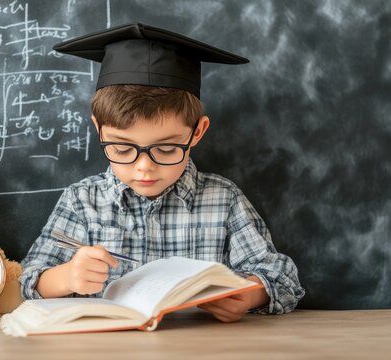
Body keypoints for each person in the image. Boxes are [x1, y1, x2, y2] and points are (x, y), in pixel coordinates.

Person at [20, 23, 305, 322]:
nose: (144, 167)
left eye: (166, 150)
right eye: (122, 149)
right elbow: (25, 280)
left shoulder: (224, 199)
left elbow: (283, 279)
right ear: (98, 129)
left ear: (197, 133)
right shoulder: (81, 201)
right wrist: (65, 278)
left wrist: (248, 294)